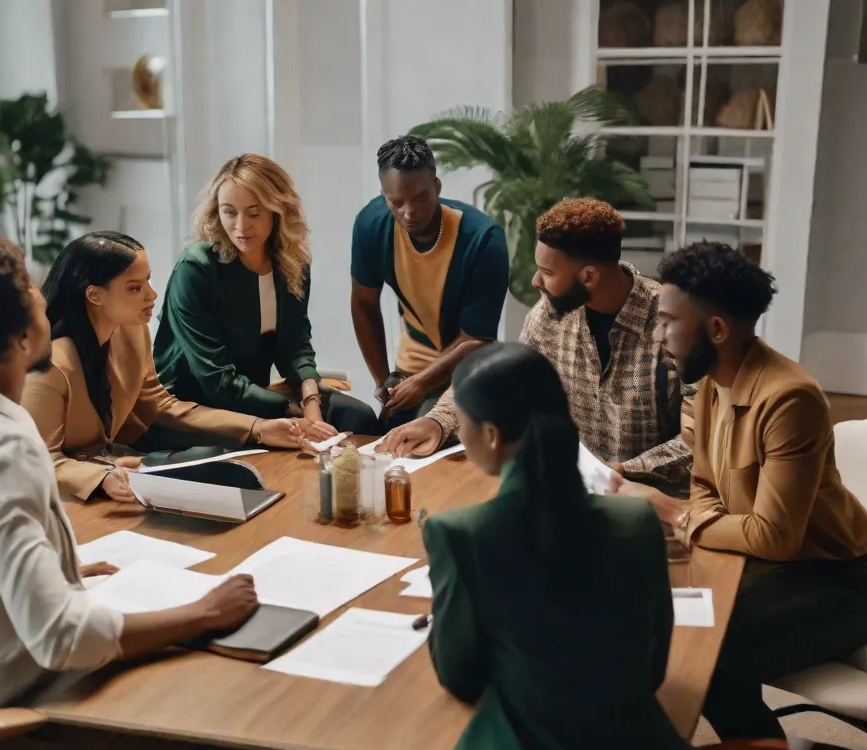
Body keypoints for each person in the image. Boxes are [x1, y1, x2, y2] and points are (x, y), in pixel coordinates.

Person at [0, 236, 276, 750]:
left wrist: (56, 565)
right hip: (19, 715)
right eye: (30, 295)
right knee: (237, 710)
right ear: (21, 337)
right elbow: (64, 640)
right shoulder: (5, 447)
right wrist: (201, 613)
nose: (45, 299)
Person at [611, 241, 867, 739]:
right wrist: (694, 511)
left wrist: (673, 513)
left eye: (666, 321)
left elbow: (774, 536)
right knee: (653, 617)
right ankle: (754, 747)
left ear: (717, 330)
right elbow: (704, 484)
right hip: (771, 565)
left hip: (840, 578)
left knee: (699, 654)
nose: (658, 335)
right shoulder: (712, 383)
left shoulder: (790, 398)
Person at [422, 342, 702, 750]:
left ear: (492, 435)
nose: (460, 435)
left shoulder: (461, 534)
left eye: (462, 423)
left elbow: (460, 679)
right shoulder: (638, 522)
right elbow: (652, 669)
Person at [383, 198, 693, 496]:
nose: (535, 281)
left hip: (651, 504)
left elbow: (702, 441)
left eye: (547, 272)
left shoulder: (671, 322)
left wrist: (624, 470)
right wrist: (437, 421)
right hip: (566, 495)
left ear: (589, 276)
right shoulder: (549, 314)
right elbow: (501, 378)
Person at [22, 231, 306, 503]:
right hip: (62, 502)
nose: (152, 295)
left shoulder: (132, 332)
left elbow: (160, 404)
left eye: (148, 281)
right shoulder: (49, 366)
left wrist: (258, 427)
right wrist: (102, 476)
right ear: (94, 295)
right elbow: (40, 460)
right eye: (135, 288)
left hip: (121, 482)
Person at [153, 154, 378, 437]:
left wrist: (311, 401)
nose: (241, 225)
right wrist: (290, 411)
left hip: (253, 394)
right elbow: (216, 380)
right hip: (198, 406)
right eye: (229, 212)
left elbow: (295, 346)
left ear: (277, 209)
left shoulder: (292, 264)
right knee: (291, 439)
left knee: (358, 417)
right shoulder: (196, 268)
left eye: (254, 212)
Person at [350, 135, 509, 429]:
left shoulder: (482, 239)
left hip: (465, 374)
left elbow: (477, 338)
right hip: (407, 370)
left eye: (419, 198)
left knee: (423, 436)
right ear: (383, 195)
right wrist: (382, 379)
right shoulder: (371, 224)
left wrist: (421, 384)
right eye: (396, 202)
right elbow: (363, 303)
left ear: (436, 187)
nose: (408, 212)